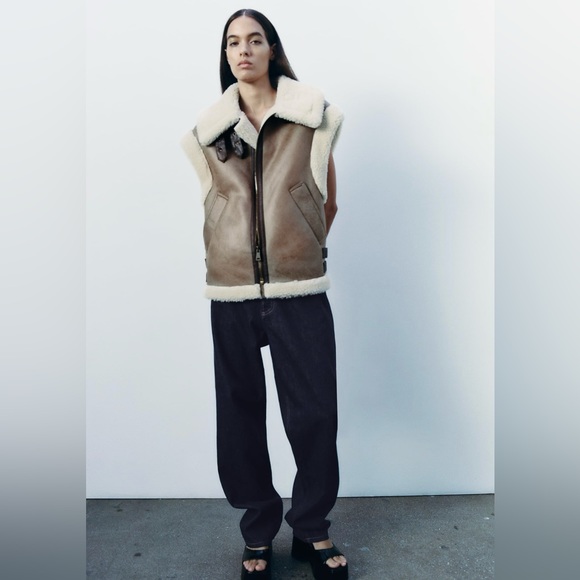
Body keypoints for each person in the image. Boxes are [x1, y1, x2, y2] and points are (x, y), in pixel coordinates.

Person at [181, 9, 348, 579]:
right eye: (233, 42)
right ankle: (257, 528)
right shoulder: (208, 131)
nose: (244, 50)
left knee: (314, 413)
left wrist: (298, 248)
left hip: (298, 288)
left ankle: (312, 528)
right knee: (239, 415)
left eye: (255, 40)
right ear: (225, 54)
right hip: (230, 291)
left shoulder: (311, 117)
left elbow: (327, 200)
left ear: (272, 48)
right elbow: (214, 204)